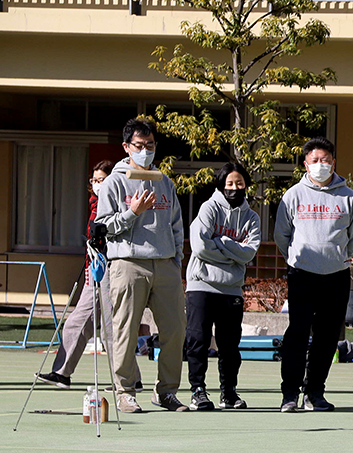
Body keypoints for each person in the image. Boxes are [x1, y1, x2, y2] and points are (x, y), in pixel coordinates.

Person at [96, 118, 188, 413]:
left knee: (174, 330)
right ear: (126, 147)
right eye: (139, 145)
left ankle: (166, 392)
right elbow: (102, 227)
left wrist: (176, 261)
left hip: (164, 265)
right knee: (125, 330)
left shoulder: (163, 181)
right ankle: (124, 391)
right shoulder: (113, 181)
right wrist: (131, 213)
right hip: (127, 263)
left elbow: (176, 225)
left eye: (150, 145)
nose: (146, 150)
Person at [274, 136, 353, 413]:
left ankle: (315, 392)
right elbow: (282, 235)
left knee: (327, 337)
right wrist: (298, 257)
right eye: (315, 161)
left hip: (336, 276)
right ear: (305, 163)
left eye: (325, 160)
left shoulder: (348, 197)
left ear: (333, 162)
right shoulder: (293, 195)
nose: (320, 165)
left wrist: (337, 256)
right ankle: (290, 393)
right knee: (297, 334)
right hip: (302, 274)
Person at [38, 160, 142, 391]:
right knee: (76, 323)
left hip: (111, 270)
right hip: (93, 270)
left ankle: (129, 378)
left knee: (111, 329)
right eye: (94, 180)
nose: (97, 185)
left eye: (101, 180)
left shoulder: (117, 203)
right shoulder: (95, 204)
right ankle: (62, 372)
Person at [184, 162, 261, 411]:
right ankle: (198, 390)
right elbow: (200, 248)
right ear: (221, 185)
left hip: (231, 289)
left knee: (230, 345)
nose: (234, 188)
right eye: (229, 184)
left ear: (246, 185)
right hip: (201, 285)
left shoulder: (252, 217)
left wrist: (221, 241)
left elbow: (249, 253)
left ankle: (229, 392)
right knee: (198, 340)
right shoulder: (208, 209)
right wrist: (232, 253)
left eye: (239, 183)